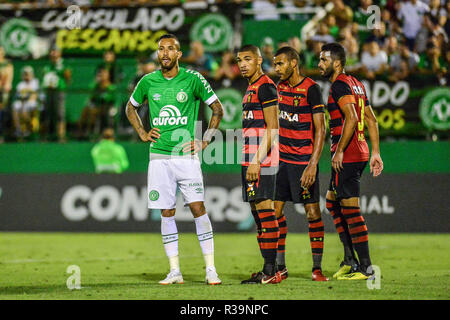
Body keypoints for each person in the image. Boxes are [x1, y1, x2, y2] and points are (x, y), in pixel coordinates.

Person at [126, 34, 224, 285]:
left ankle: (211, 269)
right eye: (161, 49)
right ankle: (174, 271)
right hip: (158, 157)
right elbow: (130, 107)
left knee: (197, 208)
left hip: (186, 156)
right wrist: (142, 132)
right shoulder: (148, 81)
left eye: (170, 49)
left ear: (179, 54)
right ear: (158, 54)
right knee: (166, 212)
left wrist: (205, 140)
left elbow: (217, 108)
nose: (165, 53)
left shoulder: (193, 79)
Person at [318, 42, 383, 280]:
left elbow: (353, 118)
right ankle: (349, 260)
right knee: (332, 203)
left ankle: (366, 268)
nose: (319, 64)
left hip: (350, 153)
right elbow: (371, 119)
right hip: (361, 151)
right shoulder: (356, 83)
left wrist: (340, 151)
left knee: (351, 210)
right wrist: (375, 152)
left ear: (336, 62)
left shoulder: (338, 85)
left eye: (323, 60)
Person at [272, 46, 328, 282]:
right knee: (274, 214)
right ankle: (279, 267)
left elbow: (321, 129)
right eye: (275, 64)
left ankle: (316, 268)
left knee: (313, 213)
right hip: (280, 162)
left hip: (303, 162)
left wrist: (313, 164)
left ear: (293, 63)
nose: (277, 69)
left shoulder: (311, 89)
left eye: (280, 64)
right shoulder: (278, 88)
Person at [236, 44, 281, 284]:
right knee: (257, 214)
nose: (242, 64)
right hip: (249, 160)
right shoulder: (250, 88)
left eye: (247, 59)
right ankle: (268, 268)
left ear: (259, 60)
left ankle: (271, 271)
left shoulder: (265, 86)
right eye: (239, 60)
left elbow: (273, 128)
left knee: (265, 211)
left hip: (261, 161)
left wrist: (256, 160)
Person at [40, 47, 71, 142]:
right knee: (47, 113)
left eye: (55, 52)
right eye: (52, 52)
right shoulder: (47, 67)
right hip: (49, 92)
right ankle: (45, 136)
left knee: (60, 114)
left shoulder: (63, 65)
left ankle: (61, 136)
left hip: (59, 92)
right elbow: (44, 77)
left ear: (59, 54)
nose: (53, 54)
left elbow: (68, 78)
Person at [78, 68, 116, 140]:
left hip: (107, 107)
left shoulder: (111, 87)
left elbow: (109, 99)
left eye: (104, 74)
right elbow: (91, 93)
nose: (102, 76)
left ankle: (99, 134)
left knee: (97, 112)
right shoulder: (96, 86)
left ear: (108, 76)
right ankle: (84, 133)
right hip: (97, 107)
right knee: (86, 111)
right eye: (101, 74)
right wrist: (96, 82)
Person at [12, 66, 40, 139]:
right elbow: (18, 96)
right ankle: (18, 129)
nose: (27, 76)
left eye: (28, 74)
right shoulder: (20, 84)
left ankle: (29, 128)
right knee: (15, 106)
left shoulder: (35, 82)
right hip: (22, 102)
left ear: (32, 74)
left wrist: (27, 99)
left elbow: (35, 96)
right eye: (25, 74)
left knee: (25, 108)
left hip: (33, 103)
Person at [0, 46, 13, 143]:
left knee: (3, 113)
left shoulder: (7, 64)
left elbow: (7, 80)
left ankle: (2, 135)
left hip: (3, 92)